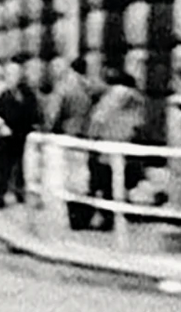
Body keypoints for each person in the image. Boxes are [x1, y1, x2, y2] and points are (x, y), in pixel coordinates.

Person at [85, 62, 147, 227]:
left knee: (104, 182)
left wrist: (93, 139)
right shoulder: (135, 98)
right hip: (125, 146)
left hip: (107, 146)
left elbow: (98, 119)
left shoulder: (113, 96)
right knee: (118, 182)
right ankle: (113, 213)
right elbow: (139, 124)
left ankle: (106, 216)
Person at [44, 56, 99, 228]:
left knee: (72, 180)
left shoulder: (64, 87)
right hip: (89, 137)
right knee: (85, 179)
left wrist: (51, 130)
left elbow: (54, 114)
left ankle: (75, 218)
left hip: (70, 136)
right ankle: (85, 215)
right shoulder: (91, 87)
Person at [0, 58, 40, 208]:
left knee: (20, 165)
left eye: (17, 73)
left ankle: (19, 192)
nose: (14, 77)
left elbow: (32, 111)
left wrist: (32, 125)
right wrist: (1, 125)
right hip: (4, 136)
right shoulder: (1, 92)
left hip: (20, 135)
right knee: (3, 167)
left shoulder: (26, 93)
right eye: (11, 73)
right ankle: (0, 196)